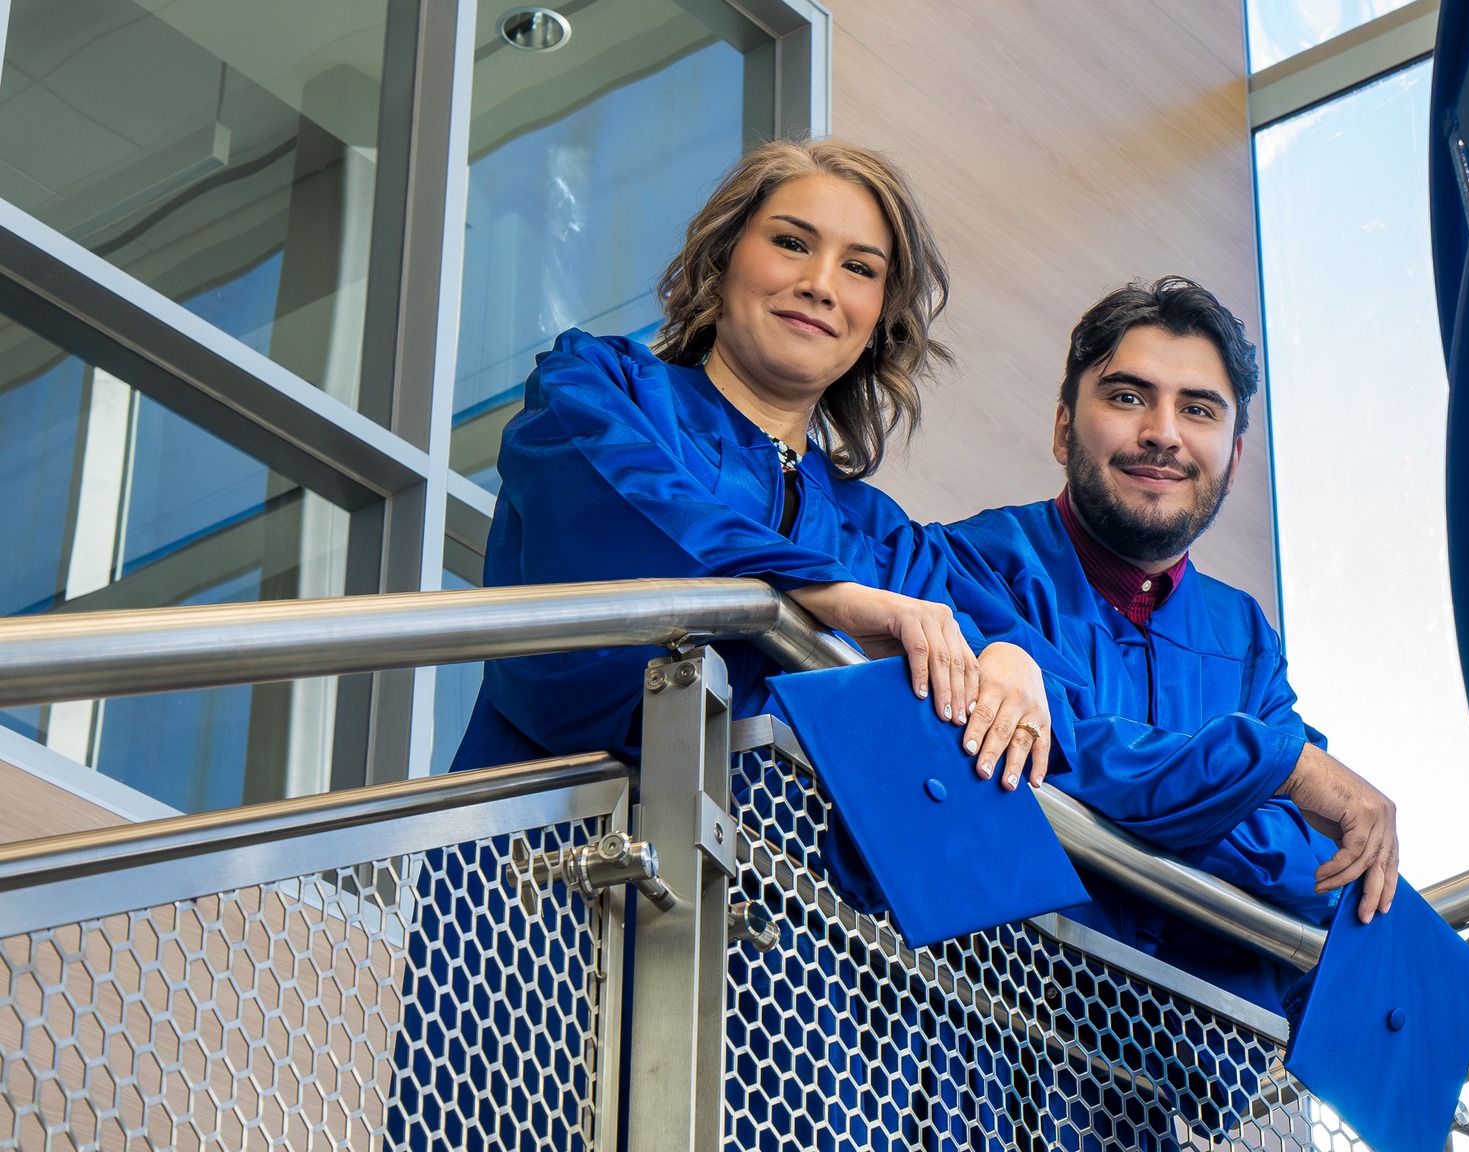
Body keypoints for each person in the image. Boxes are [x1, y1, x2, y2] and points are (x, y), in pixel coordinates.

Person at [446, 138, 1054, 775]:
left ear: (880, 319)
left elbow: (1055, 712)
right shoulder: (602, 390)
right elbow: (636, 512)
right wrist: (824, 591)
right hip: (540, 853)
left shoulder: (887, 542)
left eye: (860, 269)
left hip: (777, 872)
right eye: (791, 243)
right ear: (723, 257)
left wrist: (1013, 660)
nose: (819, 285)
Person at [938, 276, 1400, 1015]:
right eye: (1127, 397)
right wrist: (1271, 770)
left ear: (1234, 458)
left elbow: (1316, 868)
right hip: (982, 1031)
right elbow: (1058, 752)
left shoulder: (1245, 639)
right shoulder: (971, 566)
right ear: (1064, 429)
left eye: (1198, 409)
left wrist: (1154, 806)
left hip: (1163, 1089)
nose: (1163, 432)